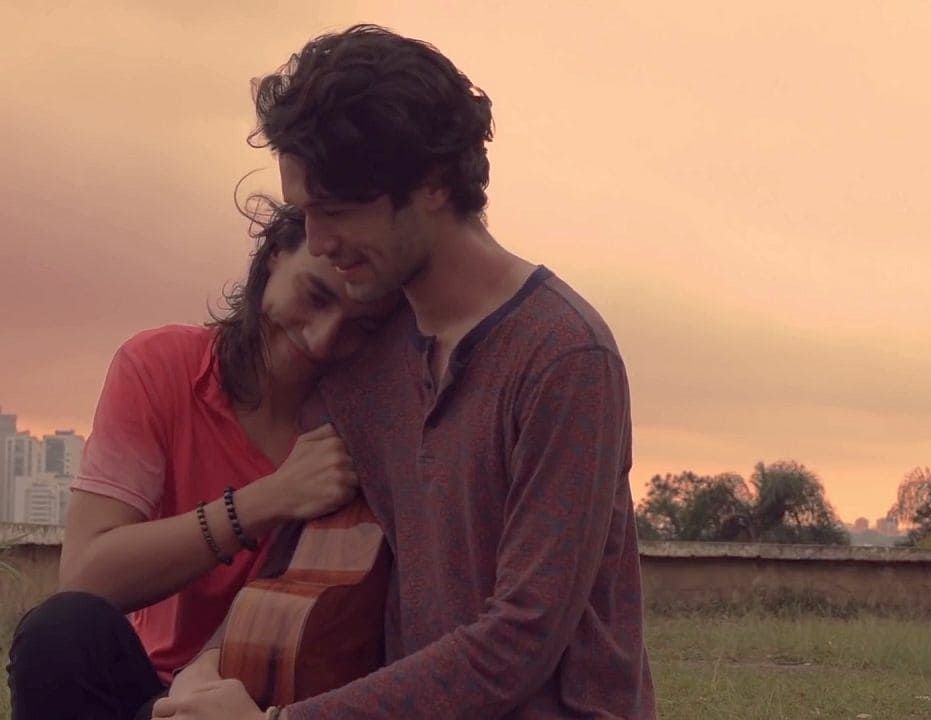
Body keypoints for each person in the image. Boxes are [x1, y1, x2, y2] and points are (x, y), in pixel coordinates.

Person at [153, 23, 655, 720]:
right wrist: (201, 675)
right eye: (306, 213)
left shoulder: (564, 358)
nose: (318, 244)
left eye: (336, 211)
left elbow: (522, 640)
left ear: (431, 185)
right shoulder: (366, 363)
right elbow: (287, 571)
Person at [6, 199, 399, 720]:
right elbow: (85, 576)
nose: (323, 339)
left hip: (273, 700)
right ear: (276, 256)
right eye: (316, 295)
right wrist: (269, 500)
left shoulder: (367, 426)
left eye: (359, 328)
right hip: (153, 691)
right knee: (59, 635)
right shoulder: (161, 367)